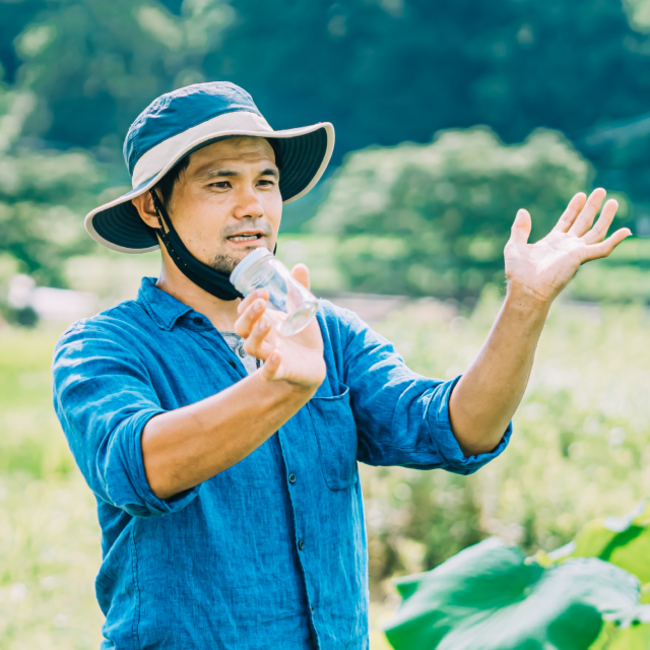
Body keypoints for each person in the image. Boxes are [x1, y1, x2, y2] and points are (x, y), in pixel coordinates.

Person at [52, 81, 630, 650]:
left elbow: (457, 428)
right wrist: (281, 387)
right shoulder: (104, 348)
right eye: (220, 183)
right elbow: (141, 466)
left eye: (265, 181)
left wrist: (524, 306)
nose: (251, 205)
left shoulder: (328, 332)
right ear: (153, 207)